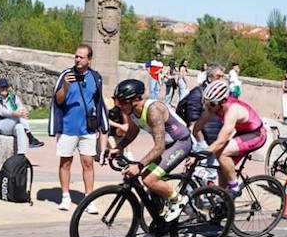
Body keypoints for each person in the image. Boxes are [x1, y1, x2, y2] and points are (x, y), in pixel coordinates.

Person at [107, 78, 194, 221]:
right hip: (166, 147)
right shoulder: (132, 112)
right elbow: (132, 132)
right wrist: (119, 147)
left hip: (180, 143)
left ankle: (178, 200)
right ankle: (160, 224)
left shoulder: (153, 110)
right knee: (149, 181)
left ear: (135, 99)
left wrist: (139, 165)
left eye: (122, 102)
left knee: (149, 179)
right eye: (117, 101)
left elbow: (159, 147)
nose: (119, 106)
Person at [49, 43, 108, 212]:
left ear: (89, 59)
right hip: (68, 127)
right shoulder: (66, 75)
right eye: (76, 56)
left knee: (88, 163)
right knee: (65, 162)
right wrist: (66, 86)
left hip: (87, 128)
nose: (78, 59)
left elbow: (98, 102)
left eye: (81, 57)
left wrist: (100, 125)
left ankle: (89, 198)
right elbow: (58, 100)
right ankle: (65, 196)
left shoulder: (96, 77)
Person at [193, 79, 268, 195]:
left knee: (221, 153)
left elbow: (221, 141)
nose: (209, 107)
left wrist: (199, 155)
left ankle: (234, 188)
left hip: (256, 134)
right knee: (222, 168)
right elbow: (197, 127)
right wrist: (197, 144)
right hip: (243, 133)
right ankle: (223, 197)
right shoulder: (214, 106)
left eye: (212, 104)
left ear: (222, 101)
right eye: (206, 102)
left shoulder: (232, 110)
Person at [0, 77, 43, 155]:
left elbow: (21, 107)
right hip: (1, 125)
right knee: (18, 118)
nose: (4, 89)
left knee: (20, 127)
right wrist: (15, 114)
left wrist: (24, 112)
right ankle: (30, 137)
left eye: (5, 87)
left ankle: (21, 154)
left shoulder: (14, 97)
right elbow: (2, 112)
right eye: (2, 87)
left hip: (14, 123)